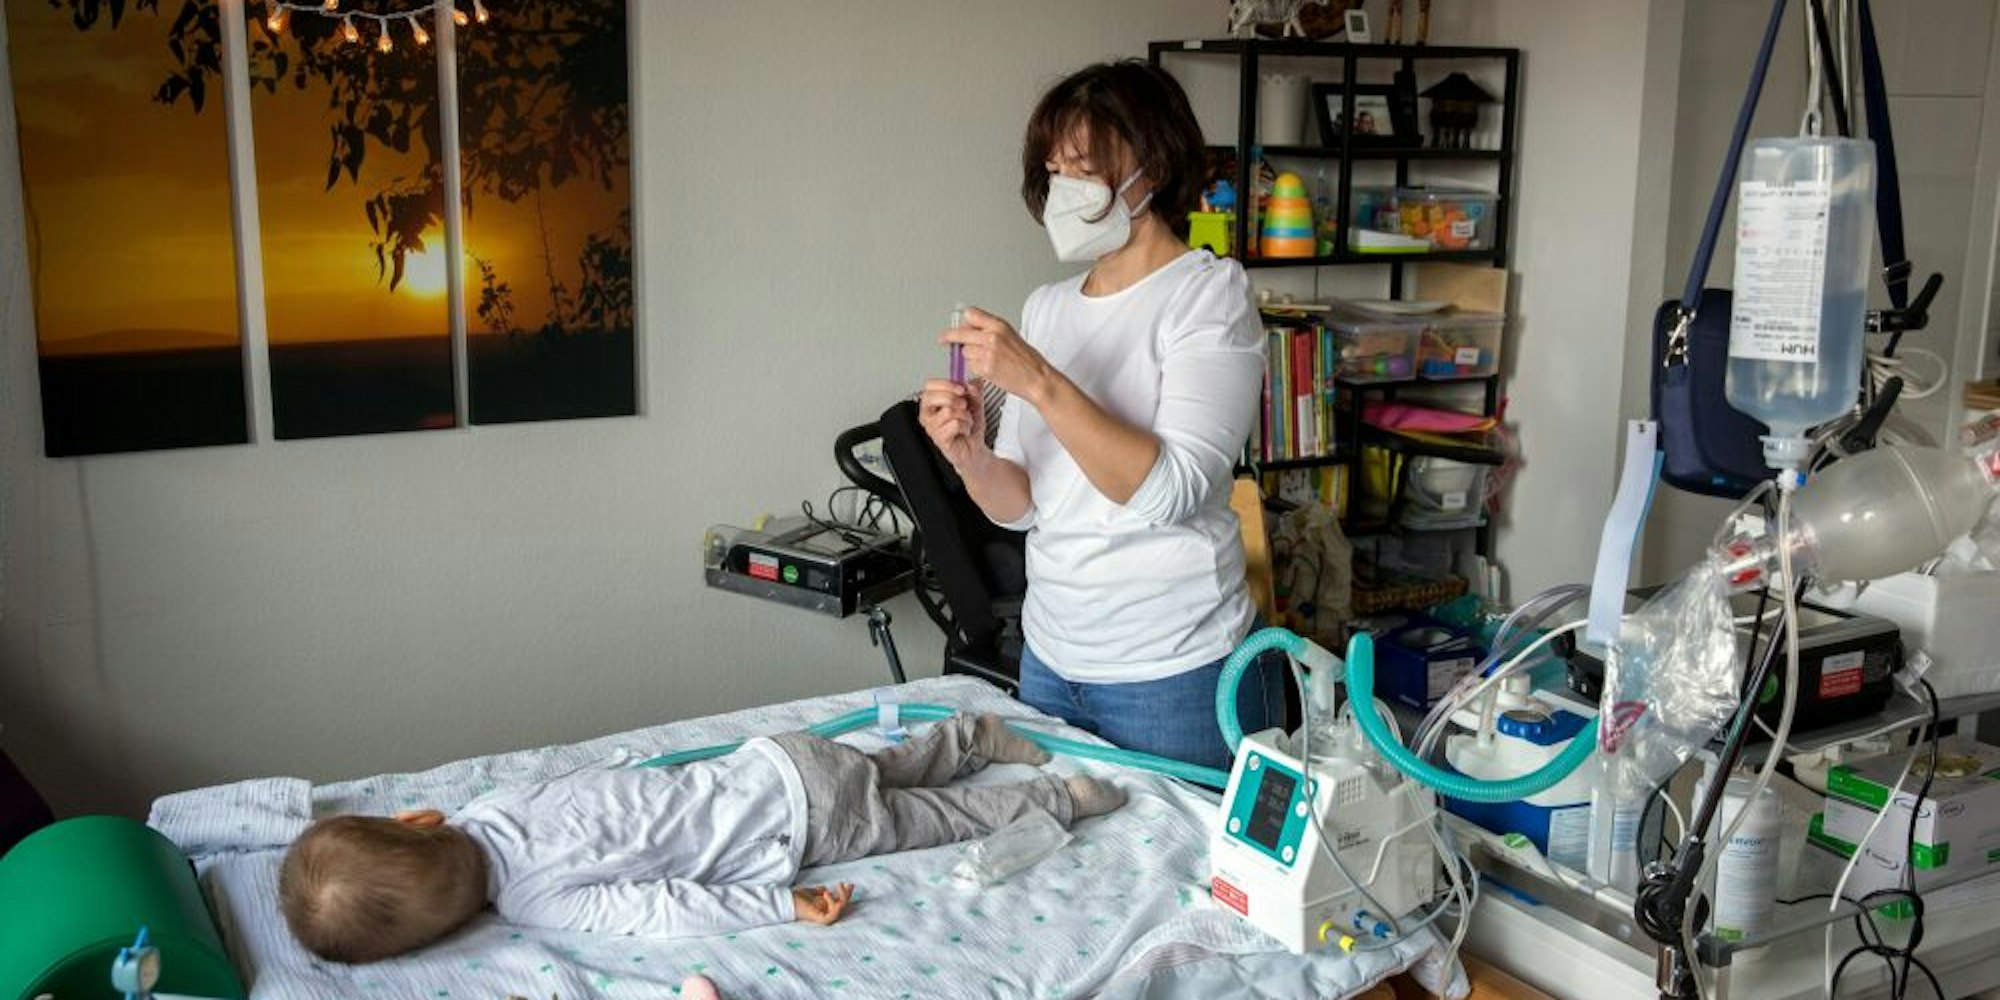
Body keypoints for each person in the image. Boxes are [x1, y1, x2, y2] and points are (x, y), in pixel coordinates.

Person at [918, 60, 1284, 772]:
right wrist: (970, 455)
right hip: (1051, 659)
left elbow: (1168, 491)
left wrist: (1038, 380)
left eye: (1082, 170)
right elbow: (1024, 506)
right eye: (1053, 170)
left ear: (1154, 166)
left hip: (1176, 672)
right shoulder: (1047, 307)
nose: (1063, 189)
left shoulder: (1209, 296)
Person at [278, 713, 1123, 962]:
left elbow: (669, 908)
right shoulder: (497, 798)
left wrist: (782, 904)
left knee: (929, 822)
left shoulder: (538, 902)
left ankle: (1063, 797)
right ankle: (969, 737)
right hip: (777, 760)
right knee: (887, 765)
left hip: (804, 826)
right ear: (420, 819)